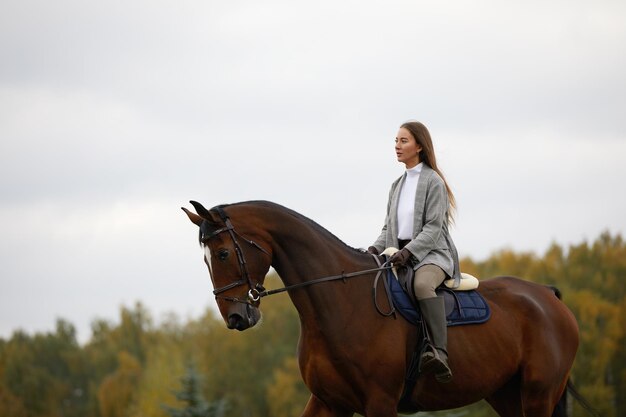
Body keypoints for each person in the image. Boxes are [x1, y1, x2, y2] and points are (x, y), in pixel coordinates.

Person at [368, 121, 461, 384]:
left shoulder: (434, 182)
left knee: (421, 285)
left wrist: (409, 252)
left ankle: (439, 352)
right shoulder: (397, 185)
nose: (397, 146)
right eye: (396, 141)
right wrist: (374, 248)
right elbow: (389, 227)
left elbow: (433, 229)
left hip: (433, 254)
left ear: (419, 146)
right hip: (401, 254)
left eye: (404, 141)